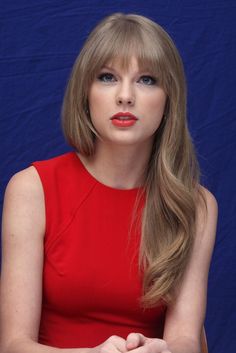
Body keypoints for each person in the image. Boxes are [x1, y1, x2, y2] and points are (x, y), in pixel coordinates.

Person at [0, 13, 217, 353]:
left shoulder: (196, 204)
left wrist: (165, 350)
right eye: (107, 77)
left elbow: (186, 339)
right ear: (85, 93)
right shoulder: (32, 190)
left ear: (169, 99)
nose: (125, 96)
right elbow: (13, 345)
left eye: (146, 80)